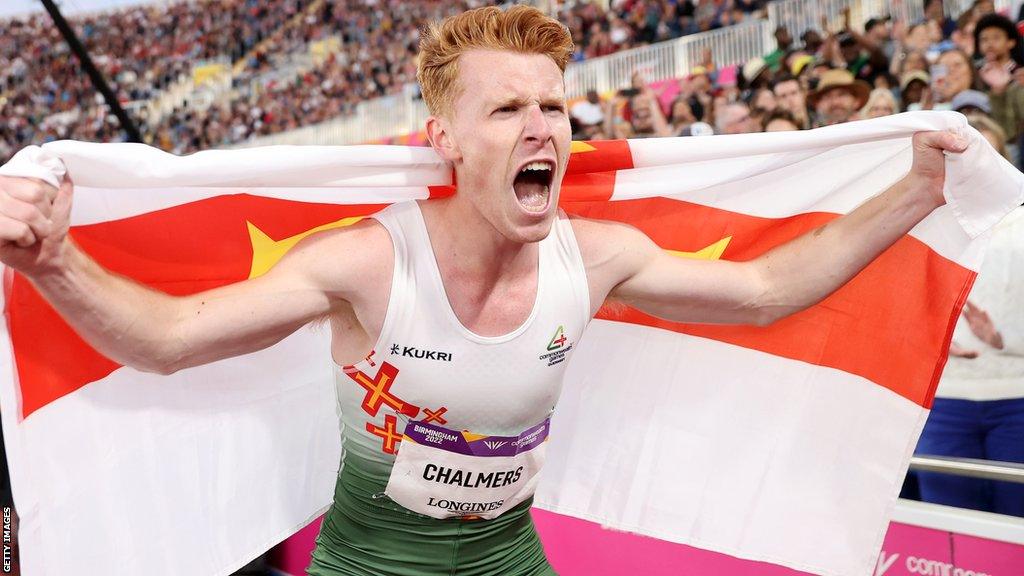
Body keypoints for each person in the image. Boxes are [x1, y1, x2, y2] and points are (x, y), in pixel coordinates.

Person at [0, 5, 971, 575]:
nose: (540, 124)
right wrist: (53, 263)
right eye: (507, 107)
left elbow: (762, 288)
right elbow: (169, 337)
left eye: (552, 104)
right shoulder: (366, 265)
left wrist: (917, 193)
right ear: (446, 143)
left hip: (508, 564)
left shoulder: (593, 256)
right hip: (371, 567)